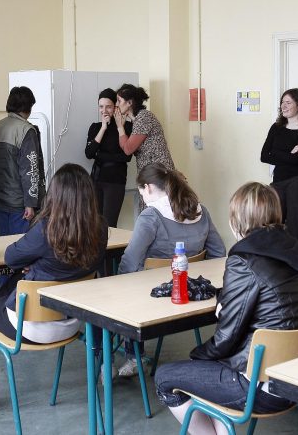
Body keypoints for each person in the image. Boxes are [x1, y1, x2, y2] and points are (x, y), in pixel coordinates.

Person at [154, 182, 298, 435]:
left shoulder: (244, 261)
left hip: (258, 387)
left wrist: (197, 358)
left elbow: (225, 339)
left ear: (235, 221)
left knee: (164, 377)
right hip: (296, 380)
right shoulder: (294, 253)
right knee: (208, 372)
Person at [0, 163, 108, 409]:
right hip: (72, 321)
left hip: (33, 327)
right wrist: (40, 265)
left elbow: (10, 257)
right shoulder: (100, 228)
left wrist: (36, 261)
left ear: (56, 196)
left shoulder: (48, 230)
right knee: (20, 280)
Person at [116, 163, 226, 377]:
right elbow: (218, 252)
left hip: (154, 297)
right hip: (194, 293)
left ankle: (132, 355)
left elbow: (130, 262)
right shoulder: (201, 212)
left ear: (147, 188)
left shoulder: (151, 217)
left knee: (121, 286)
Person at [0, 86, 45, 284]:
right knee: (23, 252)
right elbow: (30, 169)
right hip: (21, 204)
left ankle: (3, 295)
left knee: (5, 251)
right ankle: (19, 296)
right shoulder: (26, 130)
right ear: (28, 107)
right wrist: (31, 202)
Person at [260, 88, 298, 254]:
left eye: (288, 102)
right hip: (278, 181)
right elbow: (264, 156)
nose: (284, 105)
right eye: (282, 102)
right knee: (274, 222)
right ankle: (276, 260)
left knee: (297, 224)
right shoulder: (276, 127)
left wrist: (276, 154)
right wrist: (288, 153)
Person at [85, 88, 133, 227]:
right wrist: (103, 128)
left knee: (109, 224)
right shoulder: (95, 127)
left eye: (108, 106)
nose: (104, 110)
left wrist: (99, 155)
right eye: (101, 106)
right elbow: (89, 153)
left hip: (115, 182)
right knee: (94, 224)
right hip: (95, 180)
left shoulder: (126, 127)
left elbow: (126, 156)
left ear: (115, 107)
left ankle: (111, 249)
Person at [114, 83, 174, 175]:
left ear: (129, 103)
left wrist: (120, 127)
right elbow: (125, 146)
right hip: (151, 173)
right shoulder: (137, 120)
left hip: (159, 173)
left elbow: (127, 150)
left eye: (119, 101)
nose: (116, 105)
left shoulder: (144, 117)